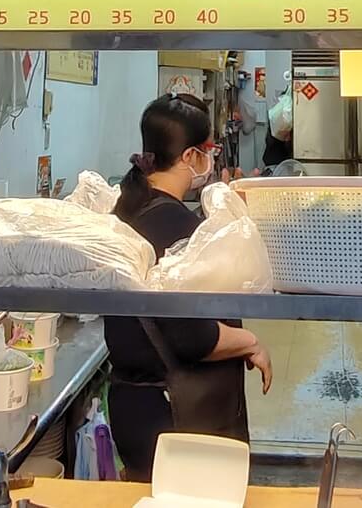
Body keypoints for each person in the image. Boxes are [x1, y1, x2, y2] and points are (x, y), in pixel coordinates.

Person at [105, 94, 274, 482]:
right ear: (192, 157)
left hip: (136, 411)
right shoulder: (179, 226)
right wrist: (250, 342)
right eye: (210, 151)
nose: (211, 161)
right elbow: (194, 338)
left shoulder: (127, 209)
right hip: (176, 418)